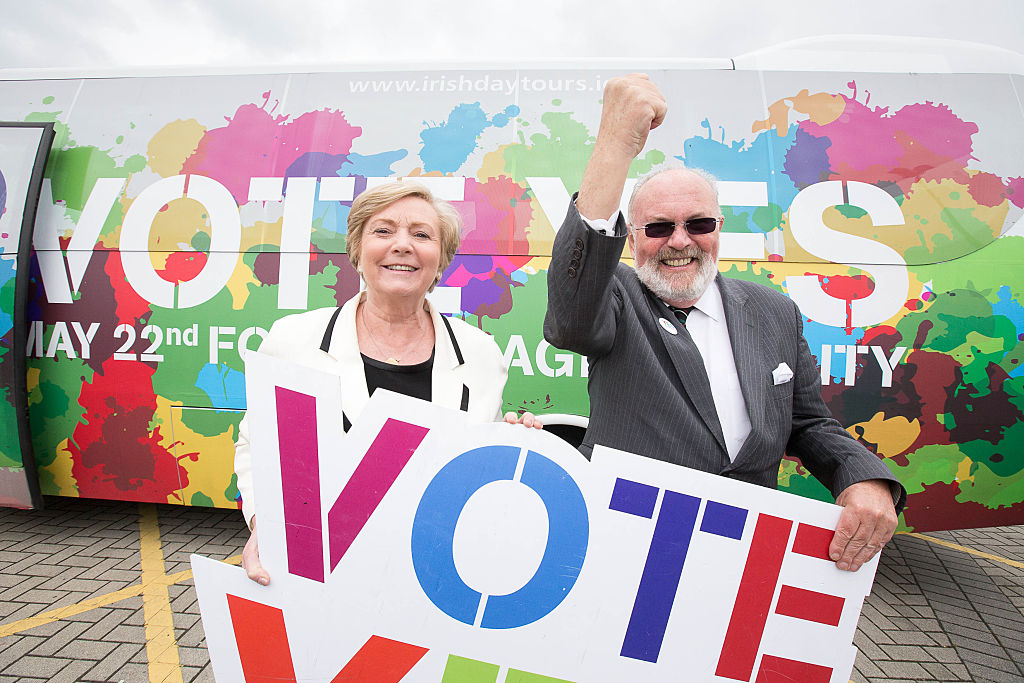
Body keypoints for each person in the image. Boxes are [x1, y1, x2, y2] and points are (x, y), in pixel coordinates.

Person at [544, 74, 905, 572]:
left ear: (719, 230)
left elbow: (807, 421)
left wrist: (861, 475)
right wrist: (615, 144)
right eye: (658, 228)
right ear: (631, 241)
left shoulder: (774, 311)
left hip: (741, 559)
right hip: (624, 549)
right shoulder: (617, 298)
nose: (679, 241)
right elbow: (572, 315)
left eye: (698, 224)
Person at [236, 181, 540, 585]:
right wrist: (265, 523)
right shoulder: (293, 341)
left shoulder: (482, 354)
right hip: (325, 570)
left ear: (441, 258)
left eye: (421, 234)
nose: (402, 244)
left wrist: (517, 449)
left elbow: (477, 465)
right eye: (383, 231)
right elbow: (257, 445)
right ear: (357, 251)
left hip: (436, 576)